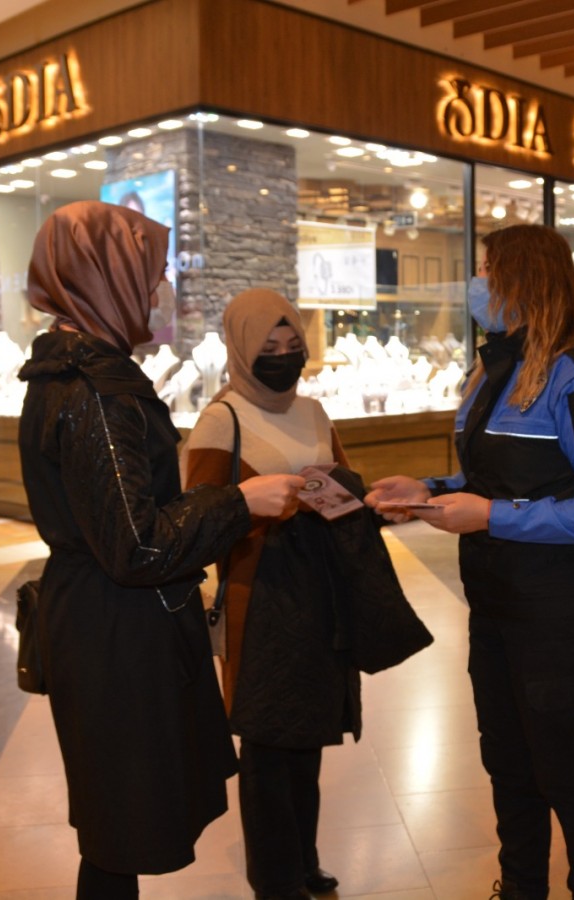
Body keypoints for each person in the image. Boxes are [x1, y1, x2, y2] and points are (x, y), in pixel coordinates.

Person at [17, 202, 303, 899]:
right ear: (101, 278)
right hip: (115, 634)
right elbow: (137, 545)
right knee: (120, 831)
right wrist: (240, 502)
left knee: (115, 829)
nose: (155, 295)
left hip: (101, 621)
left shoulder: (69, 373)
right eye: (143, 278)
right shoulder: (93, 389)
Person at [366, 224, 574, 899]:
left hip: (562, 622)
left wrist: (494, 517)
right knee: (509, 771)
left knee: (569, 782)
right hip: (495, 614)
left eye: (489, 269)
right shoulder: (494, 371)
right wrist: (428, 491)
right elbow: (492, 479)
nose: (477, 283)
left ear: (525, 280)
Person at [179, 288, 353, 900]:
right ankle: (275, 881)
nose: (283, 357)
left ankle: (303, 859)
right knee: (266, 746)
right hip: (259, 598)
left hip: (319, 594)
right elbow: (198, 519)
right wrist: (262, 510)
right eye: (268, 347)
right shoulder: (220, 419)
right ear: (241, 350)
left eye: (293, 346)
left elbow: (342, 489)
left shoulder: (313, 413)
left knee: (308, 738)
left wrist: (360, 503)